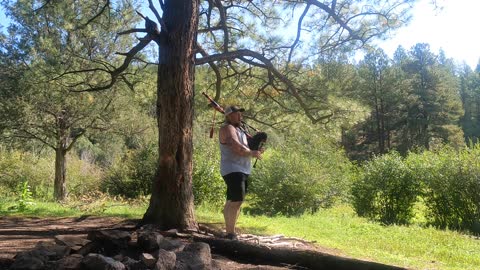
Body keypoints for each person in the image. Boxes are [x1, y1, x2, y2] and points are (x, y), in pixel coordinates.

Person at [219, 105, 263, 240]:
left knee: (232, 200)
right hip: (233, 169)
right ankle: (230, 234)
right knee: (237, 200)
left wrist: (257, 150)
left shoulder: (240, 130)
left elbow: (245, 148)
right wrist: (252, 153)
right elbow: (236, 148)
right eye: (236, 114)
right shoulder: (228, 128)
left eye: (240, 113)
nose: (240, 116)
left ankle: (229, 231)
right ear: (229, 116)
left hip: (242, 169)